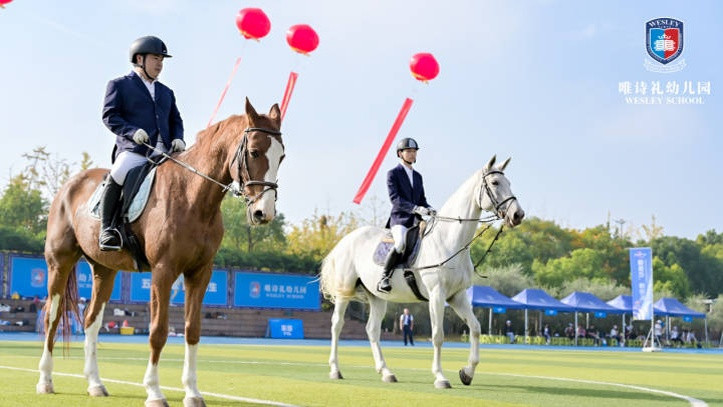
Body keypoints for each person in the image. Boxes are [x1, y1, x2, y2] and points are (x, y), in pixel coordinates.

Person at [99, 35, 185, 250]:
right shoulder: (119, 85)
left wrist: (178, 137)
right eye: (156, 58)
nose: (160, 64)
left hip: (165, 152)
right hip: (135, 149)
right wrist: (131, 131)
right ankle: (107, 228)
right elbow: (110, 116)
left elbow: (176, 119)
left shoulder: (166, 92)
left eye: (162, 60)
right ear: (139, 58)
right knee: (118, 173)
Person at [377, 138, 435, 293]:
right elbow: (395, 199)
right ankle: (384, 277)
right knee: (400, 244)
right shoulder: (393, 173)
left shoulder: (418, 176)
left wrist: (430, 209)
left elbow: (422, 199)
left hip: (416, 221)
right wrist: (415, 208)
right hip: (400, 220)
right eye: (408, 151)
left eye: (414, 151)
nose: (412, 154)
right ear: (400, 154)